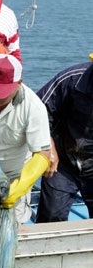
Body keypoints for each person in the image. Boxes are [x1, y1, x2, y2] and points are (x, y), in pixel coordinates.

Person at [0, 54, 55, 225]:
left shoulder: (34, 107)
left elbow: (42, 153)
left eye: (0, 93)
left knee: (12, 227)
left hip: (14, 175)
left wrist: (20, 187)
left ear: (18, 84)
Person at [36, 58, 93, 222]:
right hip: (62, 161)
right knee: (51, 217)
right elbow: (38, 111)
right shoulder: (71, 79)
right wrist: (48, 146)